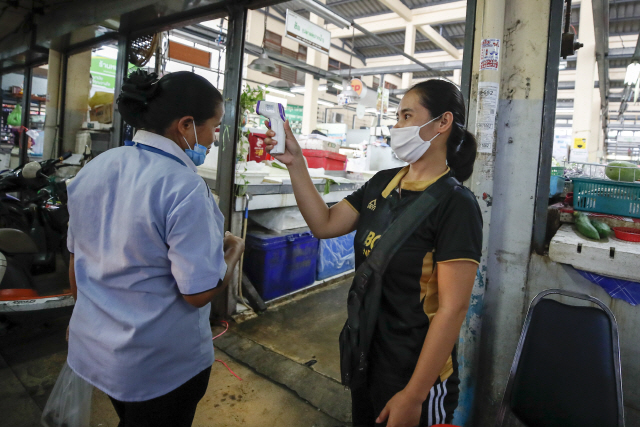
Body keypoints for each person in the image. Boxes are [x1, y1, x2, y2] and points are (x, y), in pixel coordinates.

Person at [264, 79, 482, 427]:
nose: (397, 126)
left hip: (416, 374)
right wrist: (295, 163)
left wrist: (414, 395)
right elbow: (325, 224)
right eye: (397, 117)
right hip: (366, 356)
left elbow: (452, 309)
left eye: (407, 115)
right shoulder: (382, 183)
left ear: (443, 123)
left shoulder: (456, 205)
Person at [66, 70, 244, 427]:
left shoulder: (95, 168)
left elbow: (76, 264)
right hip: (159, 368)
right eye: (214, 127)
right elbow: (196, 294)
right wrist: (232, 253)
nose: (214, 138)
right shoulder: (185, 188)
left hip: (98, 352)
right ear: (186, 125)